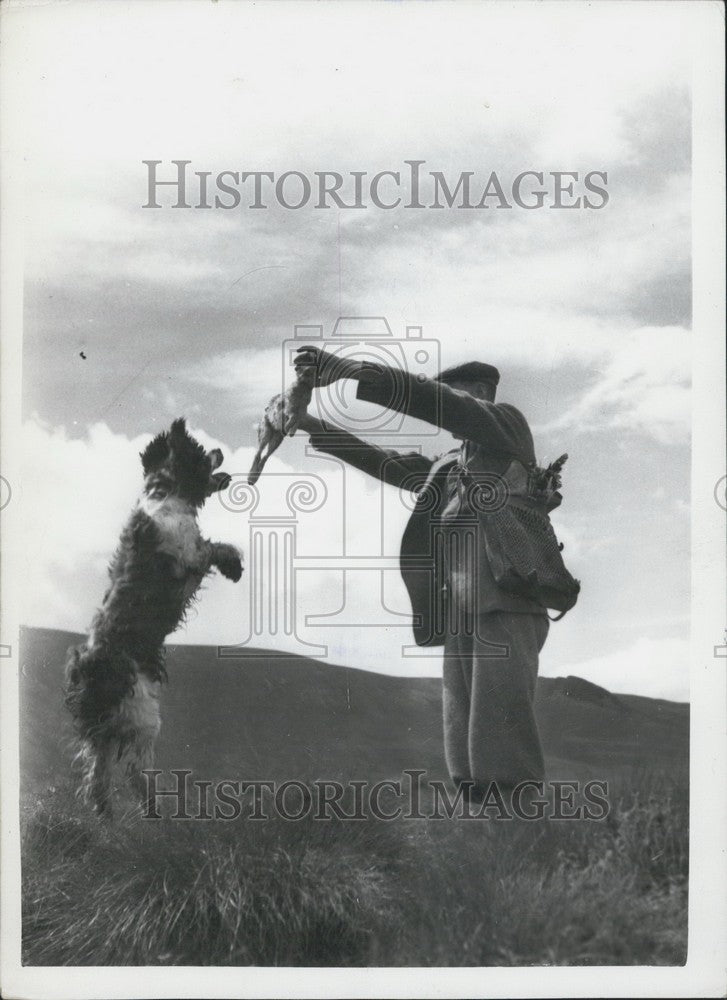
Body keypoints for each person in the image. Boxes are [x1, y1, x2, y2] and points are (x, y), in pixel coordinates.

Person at [293, 347, 553, 805]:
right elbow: (385, 462)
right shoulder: (452, 468)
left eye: (453, 396)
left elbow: (434, 400)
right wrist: (312, 426)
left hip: (507, 602)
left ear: (479, 395)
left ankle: (521, 826)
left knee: (503, 727)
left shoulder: (508, 427)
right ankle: (484, 829)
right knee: (466, 733)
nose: (445, 407)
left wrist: (350, 371)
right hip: (463, 610)